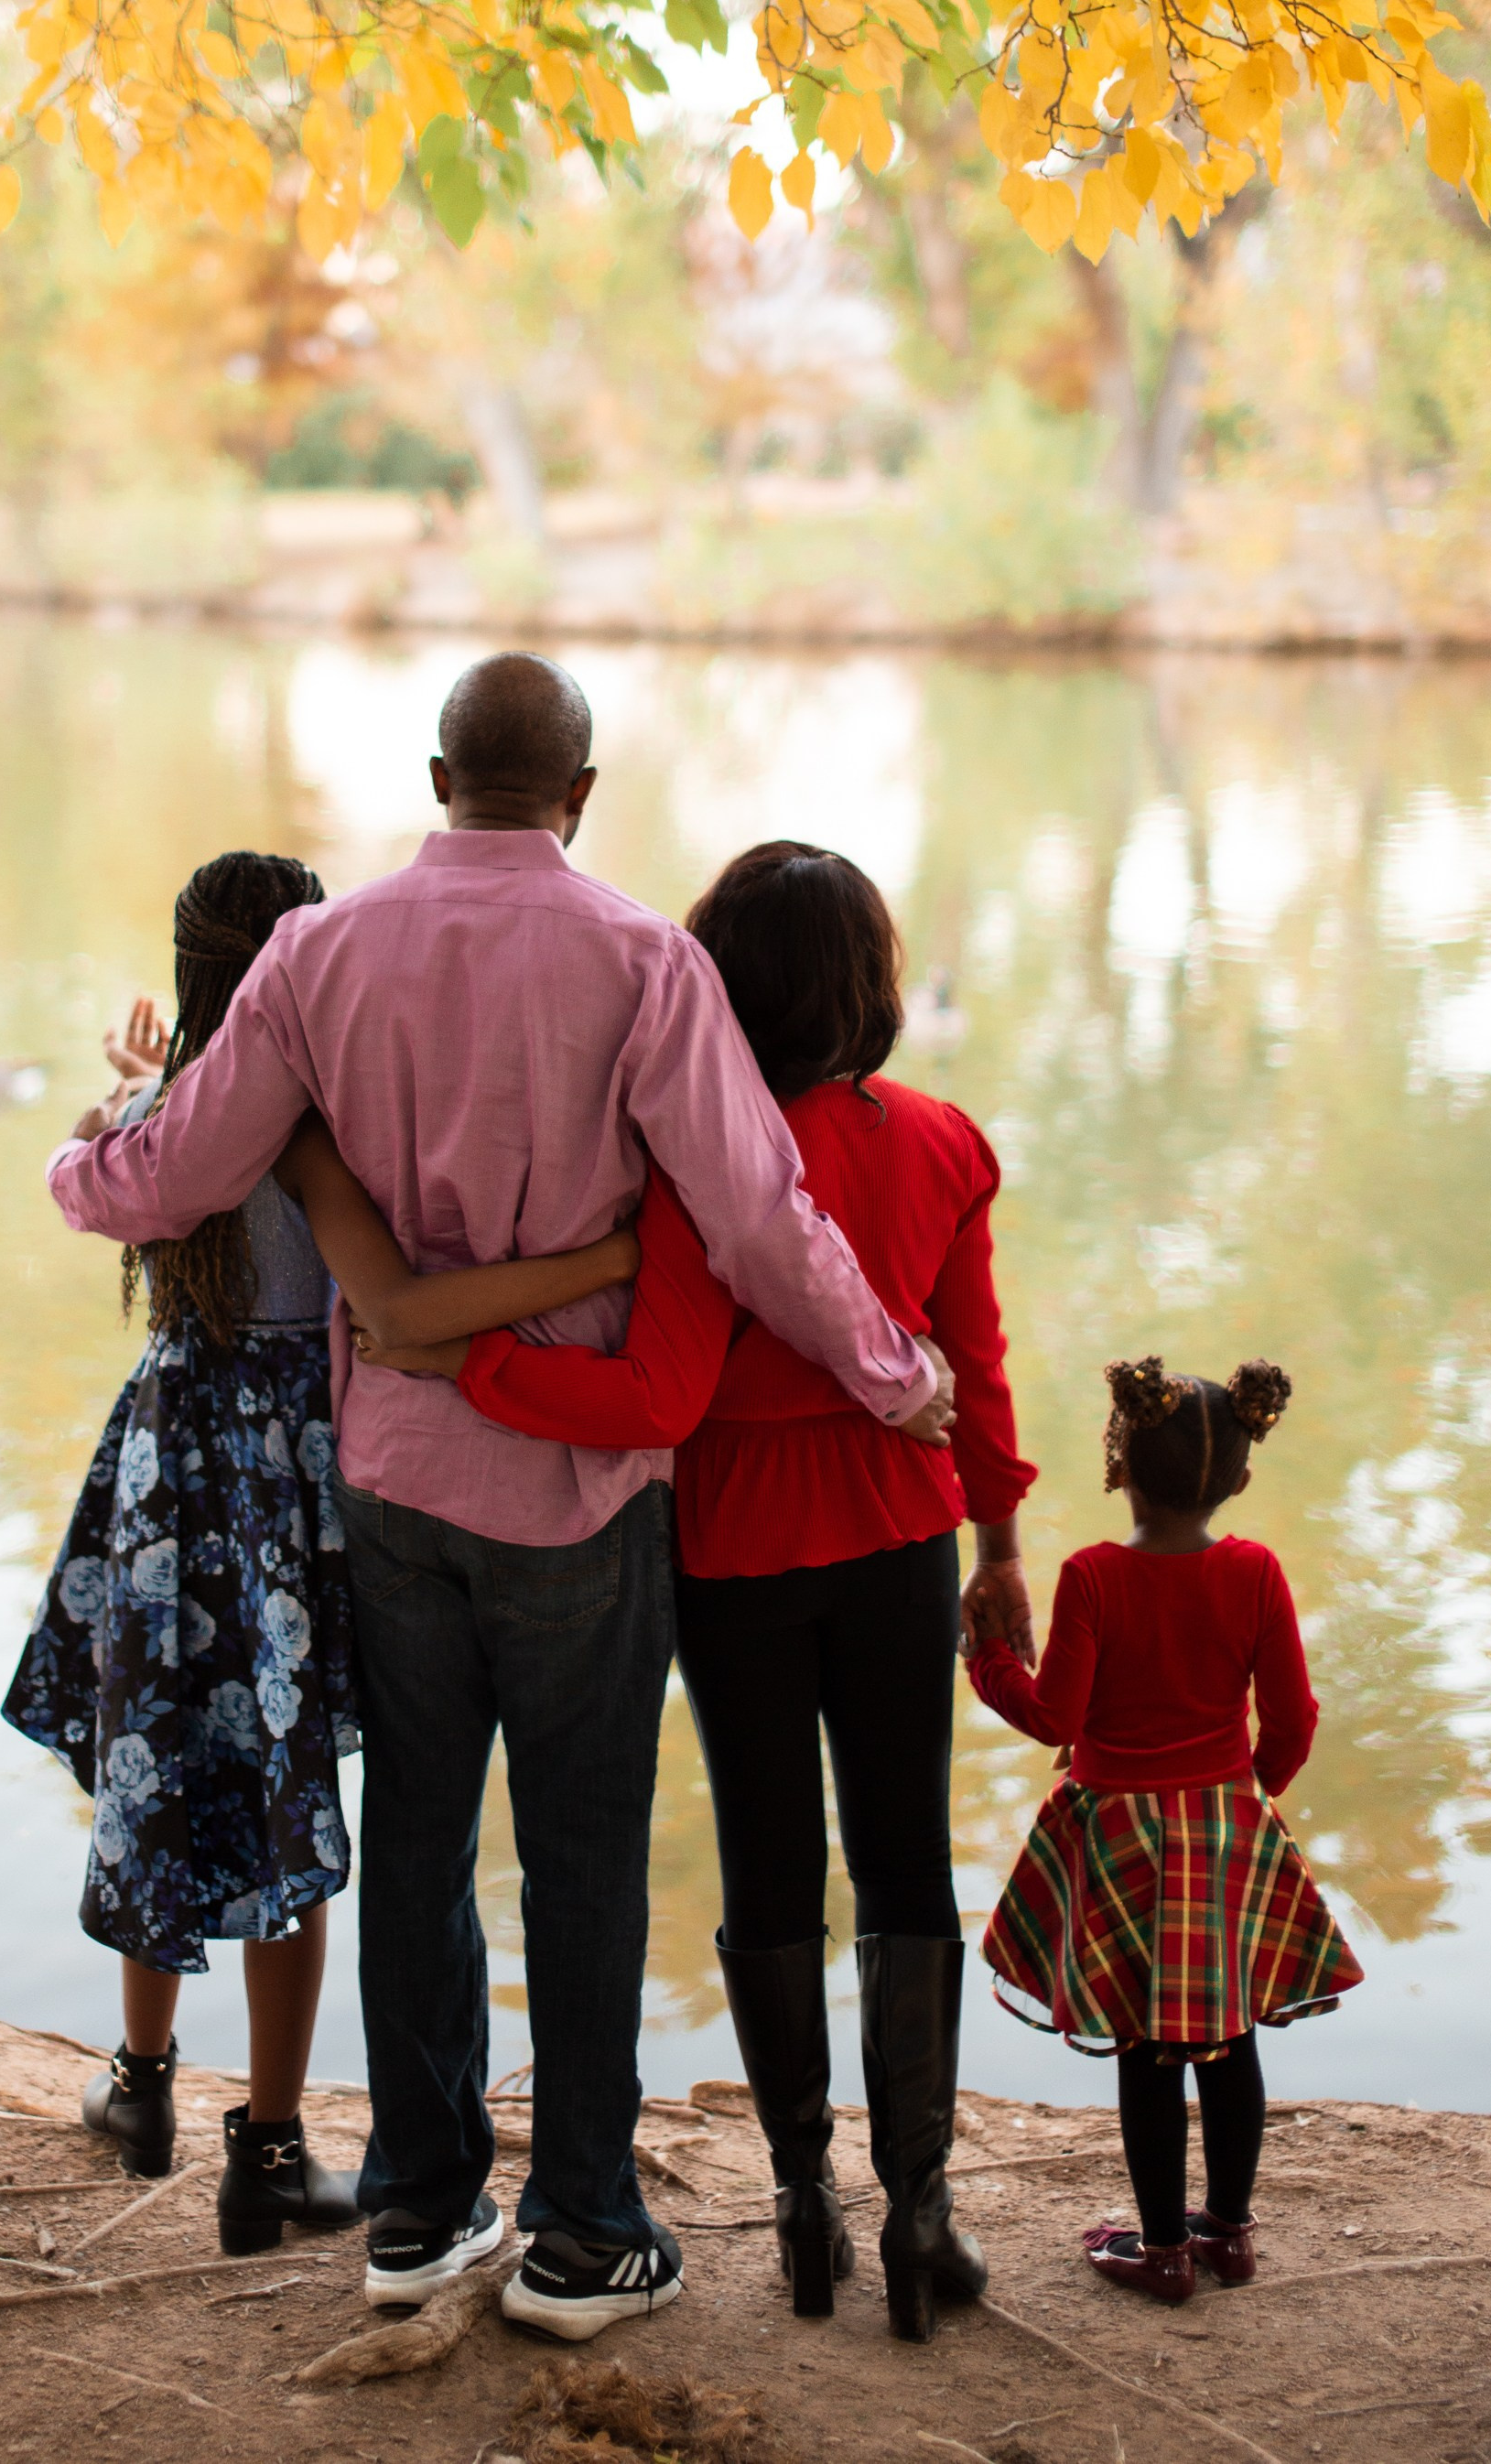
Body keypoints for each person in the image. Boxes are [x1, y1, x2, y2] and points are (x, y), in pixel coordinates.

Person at [44, 655, 956, 2343]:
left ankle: (417, 2207)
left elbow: (176, 1173)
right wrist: (901, 1379)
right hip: (579, 1492)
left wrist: (70, 1165)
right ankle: (584, 2235)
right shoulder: (643, 960)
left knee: (419, 1844)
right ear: (581, 796)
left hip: (391, 1478)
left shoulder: (319, 955)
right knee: (588, 1859)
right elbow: (762, 1224)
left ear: (439, 773)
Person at [361, 841, 1033, 2340]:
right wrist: (996, 1547)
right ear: (872, 985)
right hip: (898, 1537)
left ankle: (805, 2209)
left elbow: (646, 1390)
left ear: (719, 981)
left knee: (773, 1864)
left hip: (731, 1552)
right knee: (909, 1861)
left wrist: (466, 1355)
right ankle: (921, 2215)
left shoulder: (688, 1161)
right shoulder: (945, 1142)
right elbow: (973, 1371)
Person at [7, 849, 641, 2257]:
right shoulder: (323, 1122)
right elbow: (396, 1302)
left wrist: (108, 1103)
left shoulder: (166, 1119)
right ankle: (273, 2148)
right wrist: (604, 1265)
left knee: (158, 1770)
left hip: (168, 1474)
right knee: (282, 1801)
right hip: (293, 1485)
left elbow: (99, 1168)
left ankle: (141, 2087)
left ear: (187, 975)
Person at [967, 1356, 1362, 2306]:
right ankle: (1226, 2235)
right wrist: (1243, 1800)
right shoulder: (1256, 1571)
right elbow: (1294, 1717)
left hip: (1118, 1841)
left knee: (1146, 2049)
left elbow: (1056, 1717)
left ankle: (1158, 2251)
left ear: (1121, 1468)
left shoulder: (1094, 1576)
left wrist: (985, 1661)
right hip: (1224, 1828)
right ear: (1239, 1477)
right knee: (1228, 2039)